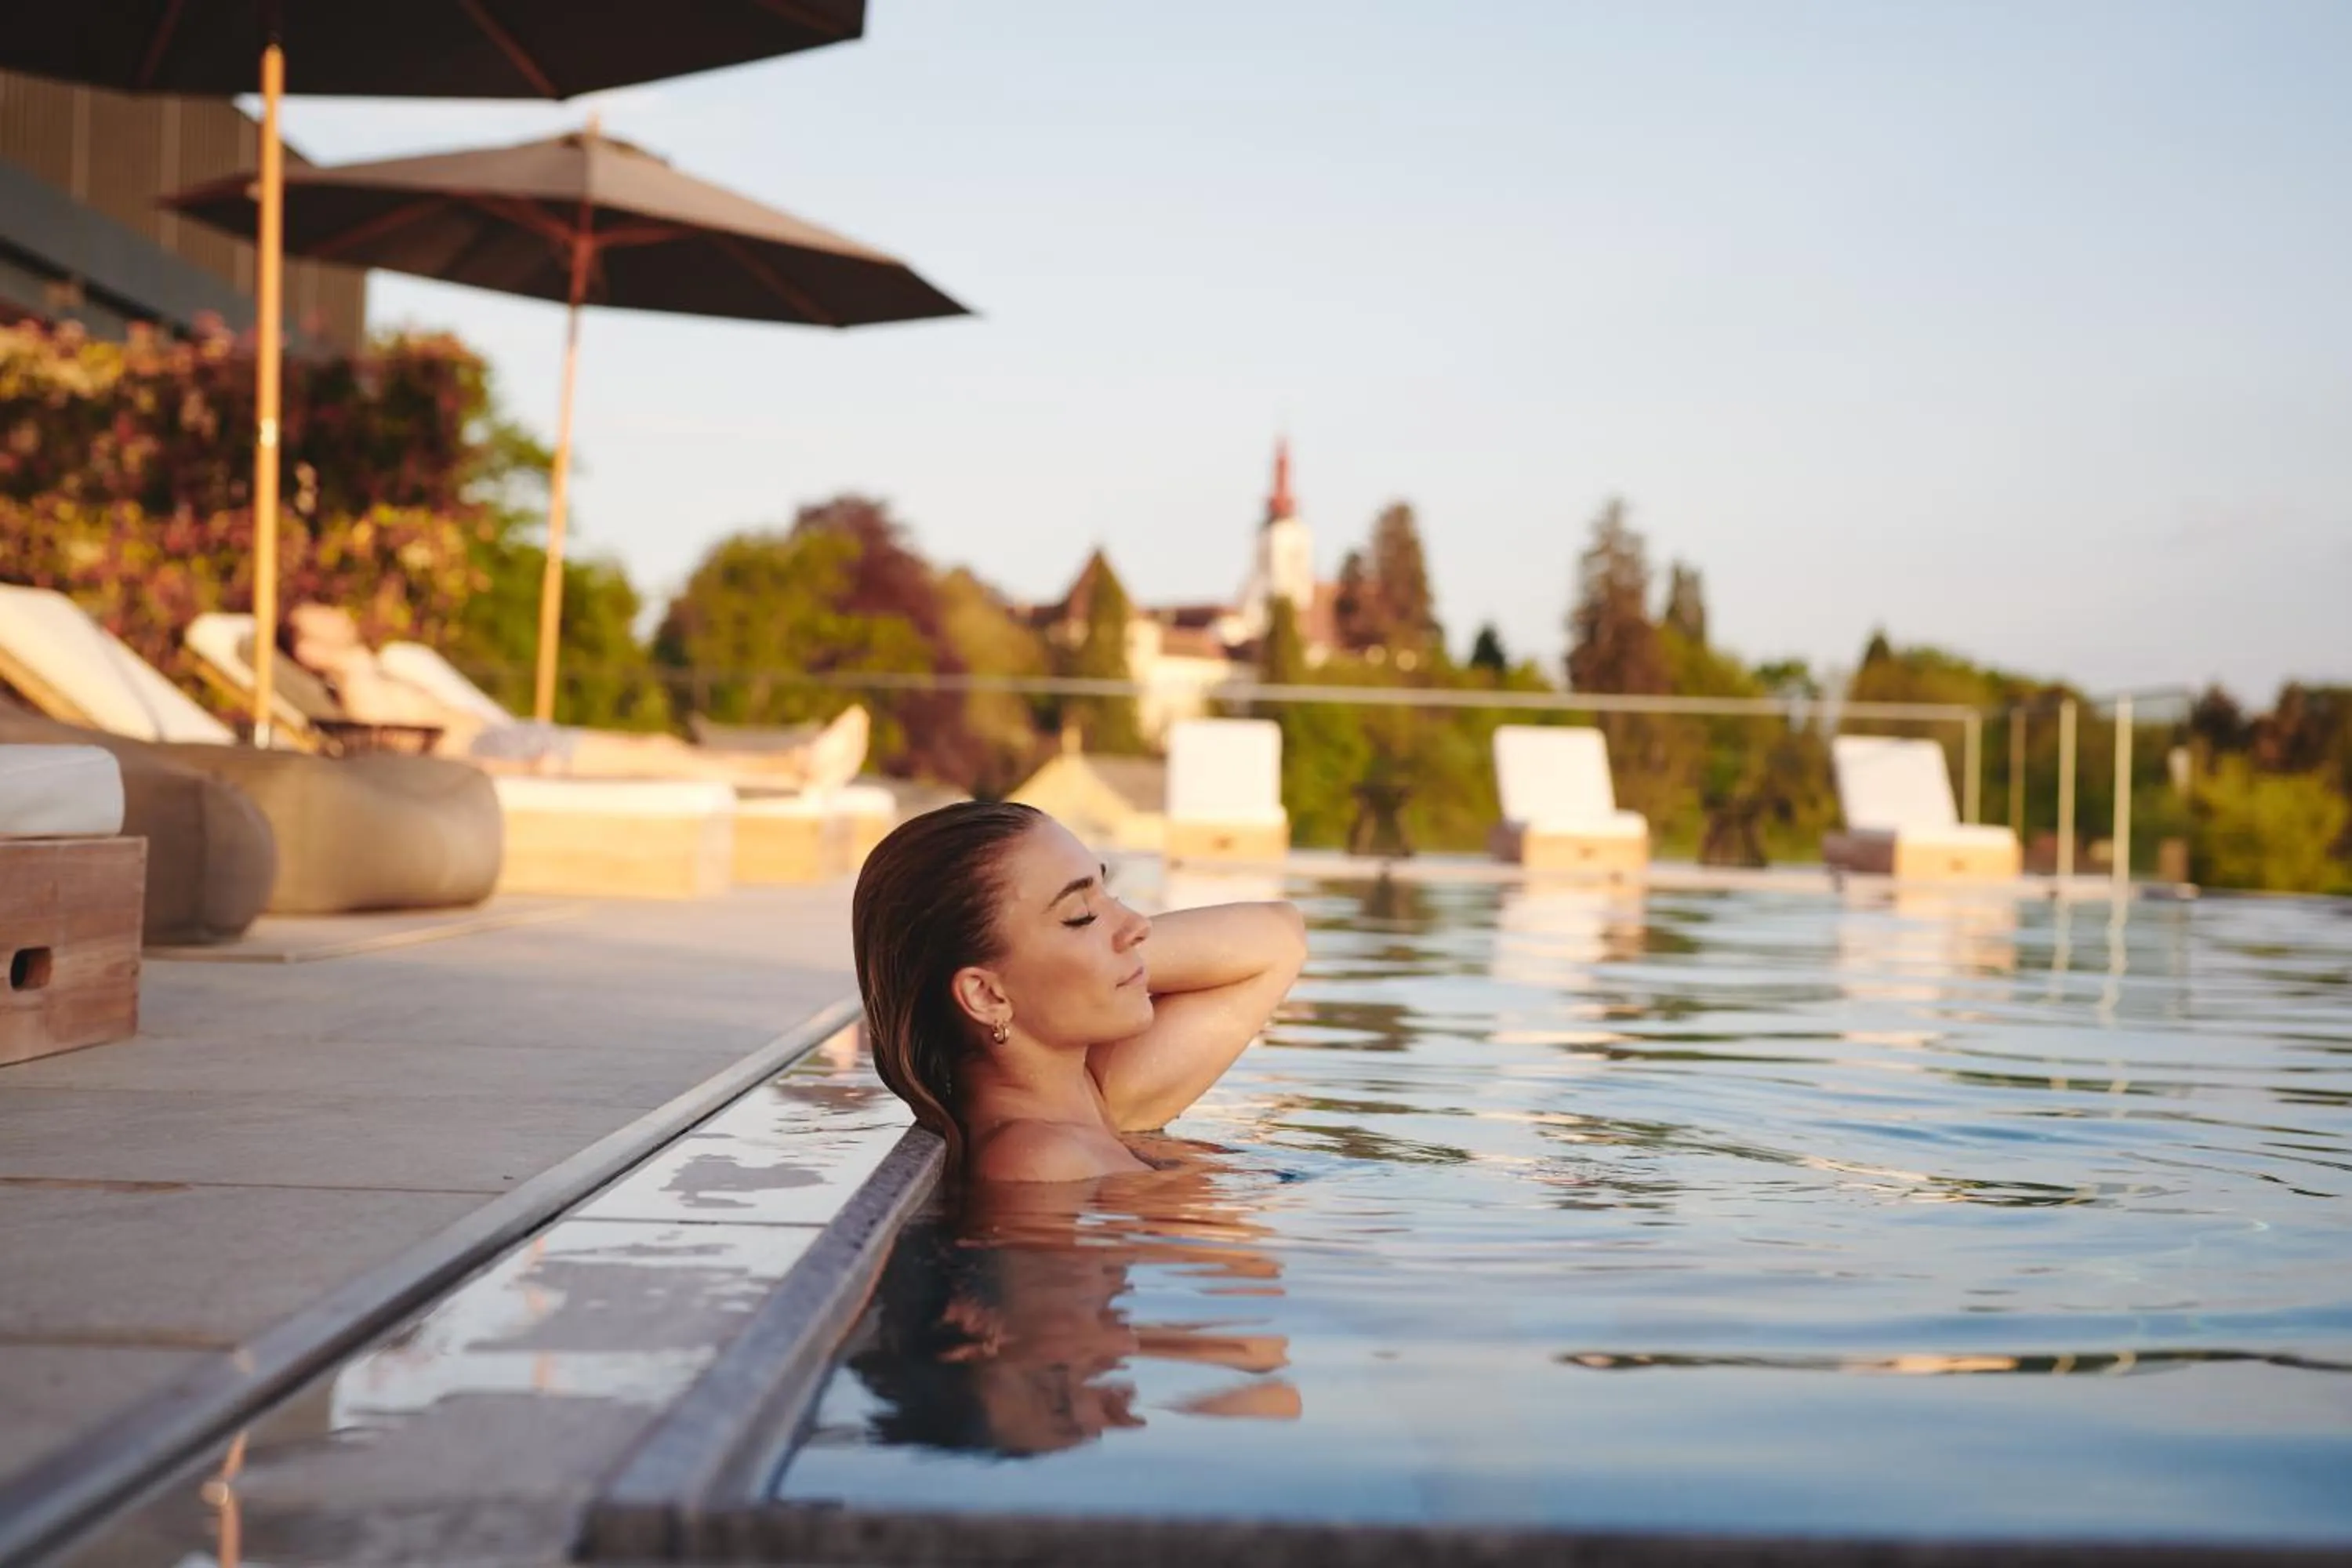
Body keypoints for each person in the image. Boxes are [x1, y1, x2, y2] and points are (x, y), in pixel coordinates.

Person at [851, 801, 1307, 1183]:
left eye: (1106, 891)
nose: (1137, 925)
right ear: (988, 996)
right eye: (1081, 915)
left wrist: (1106, 961)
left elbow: (1279, 936)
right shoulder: (1036, 1162)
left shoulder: (1095, 1099)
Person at [281, 603, 866, 789]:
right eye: (319, 617)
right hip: (505, 749)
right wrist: (508, 767)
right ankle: (795, 766)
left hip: (511, 735)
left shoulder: (380, 668)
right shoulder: (359, 691)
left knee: (658, 746)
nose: (337, 612)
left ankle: (796, 761)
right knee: (655, 757)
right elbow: (412, 752)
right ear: (309, 652)